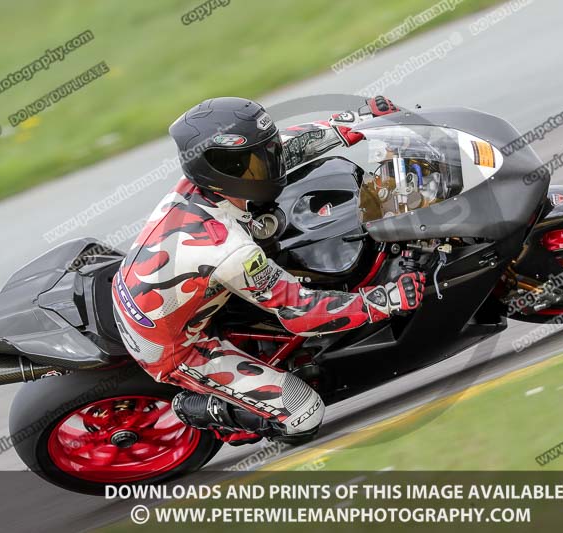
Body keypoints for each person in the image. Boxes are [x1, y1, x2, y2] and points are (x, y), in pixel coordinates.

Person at [111, 96, 426, 446]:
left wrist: (355, 123)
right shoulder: (228, 249)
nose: (269, 165)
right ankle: (207, 409)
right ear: (221, 168)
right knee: (304, 414)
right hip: (176, 347)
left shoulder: (206, 185)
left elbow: (289, 147)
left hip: (159, 290)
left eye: (266, 153)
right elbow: (303, 313)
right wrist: (385, 300)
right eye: (255, 163)